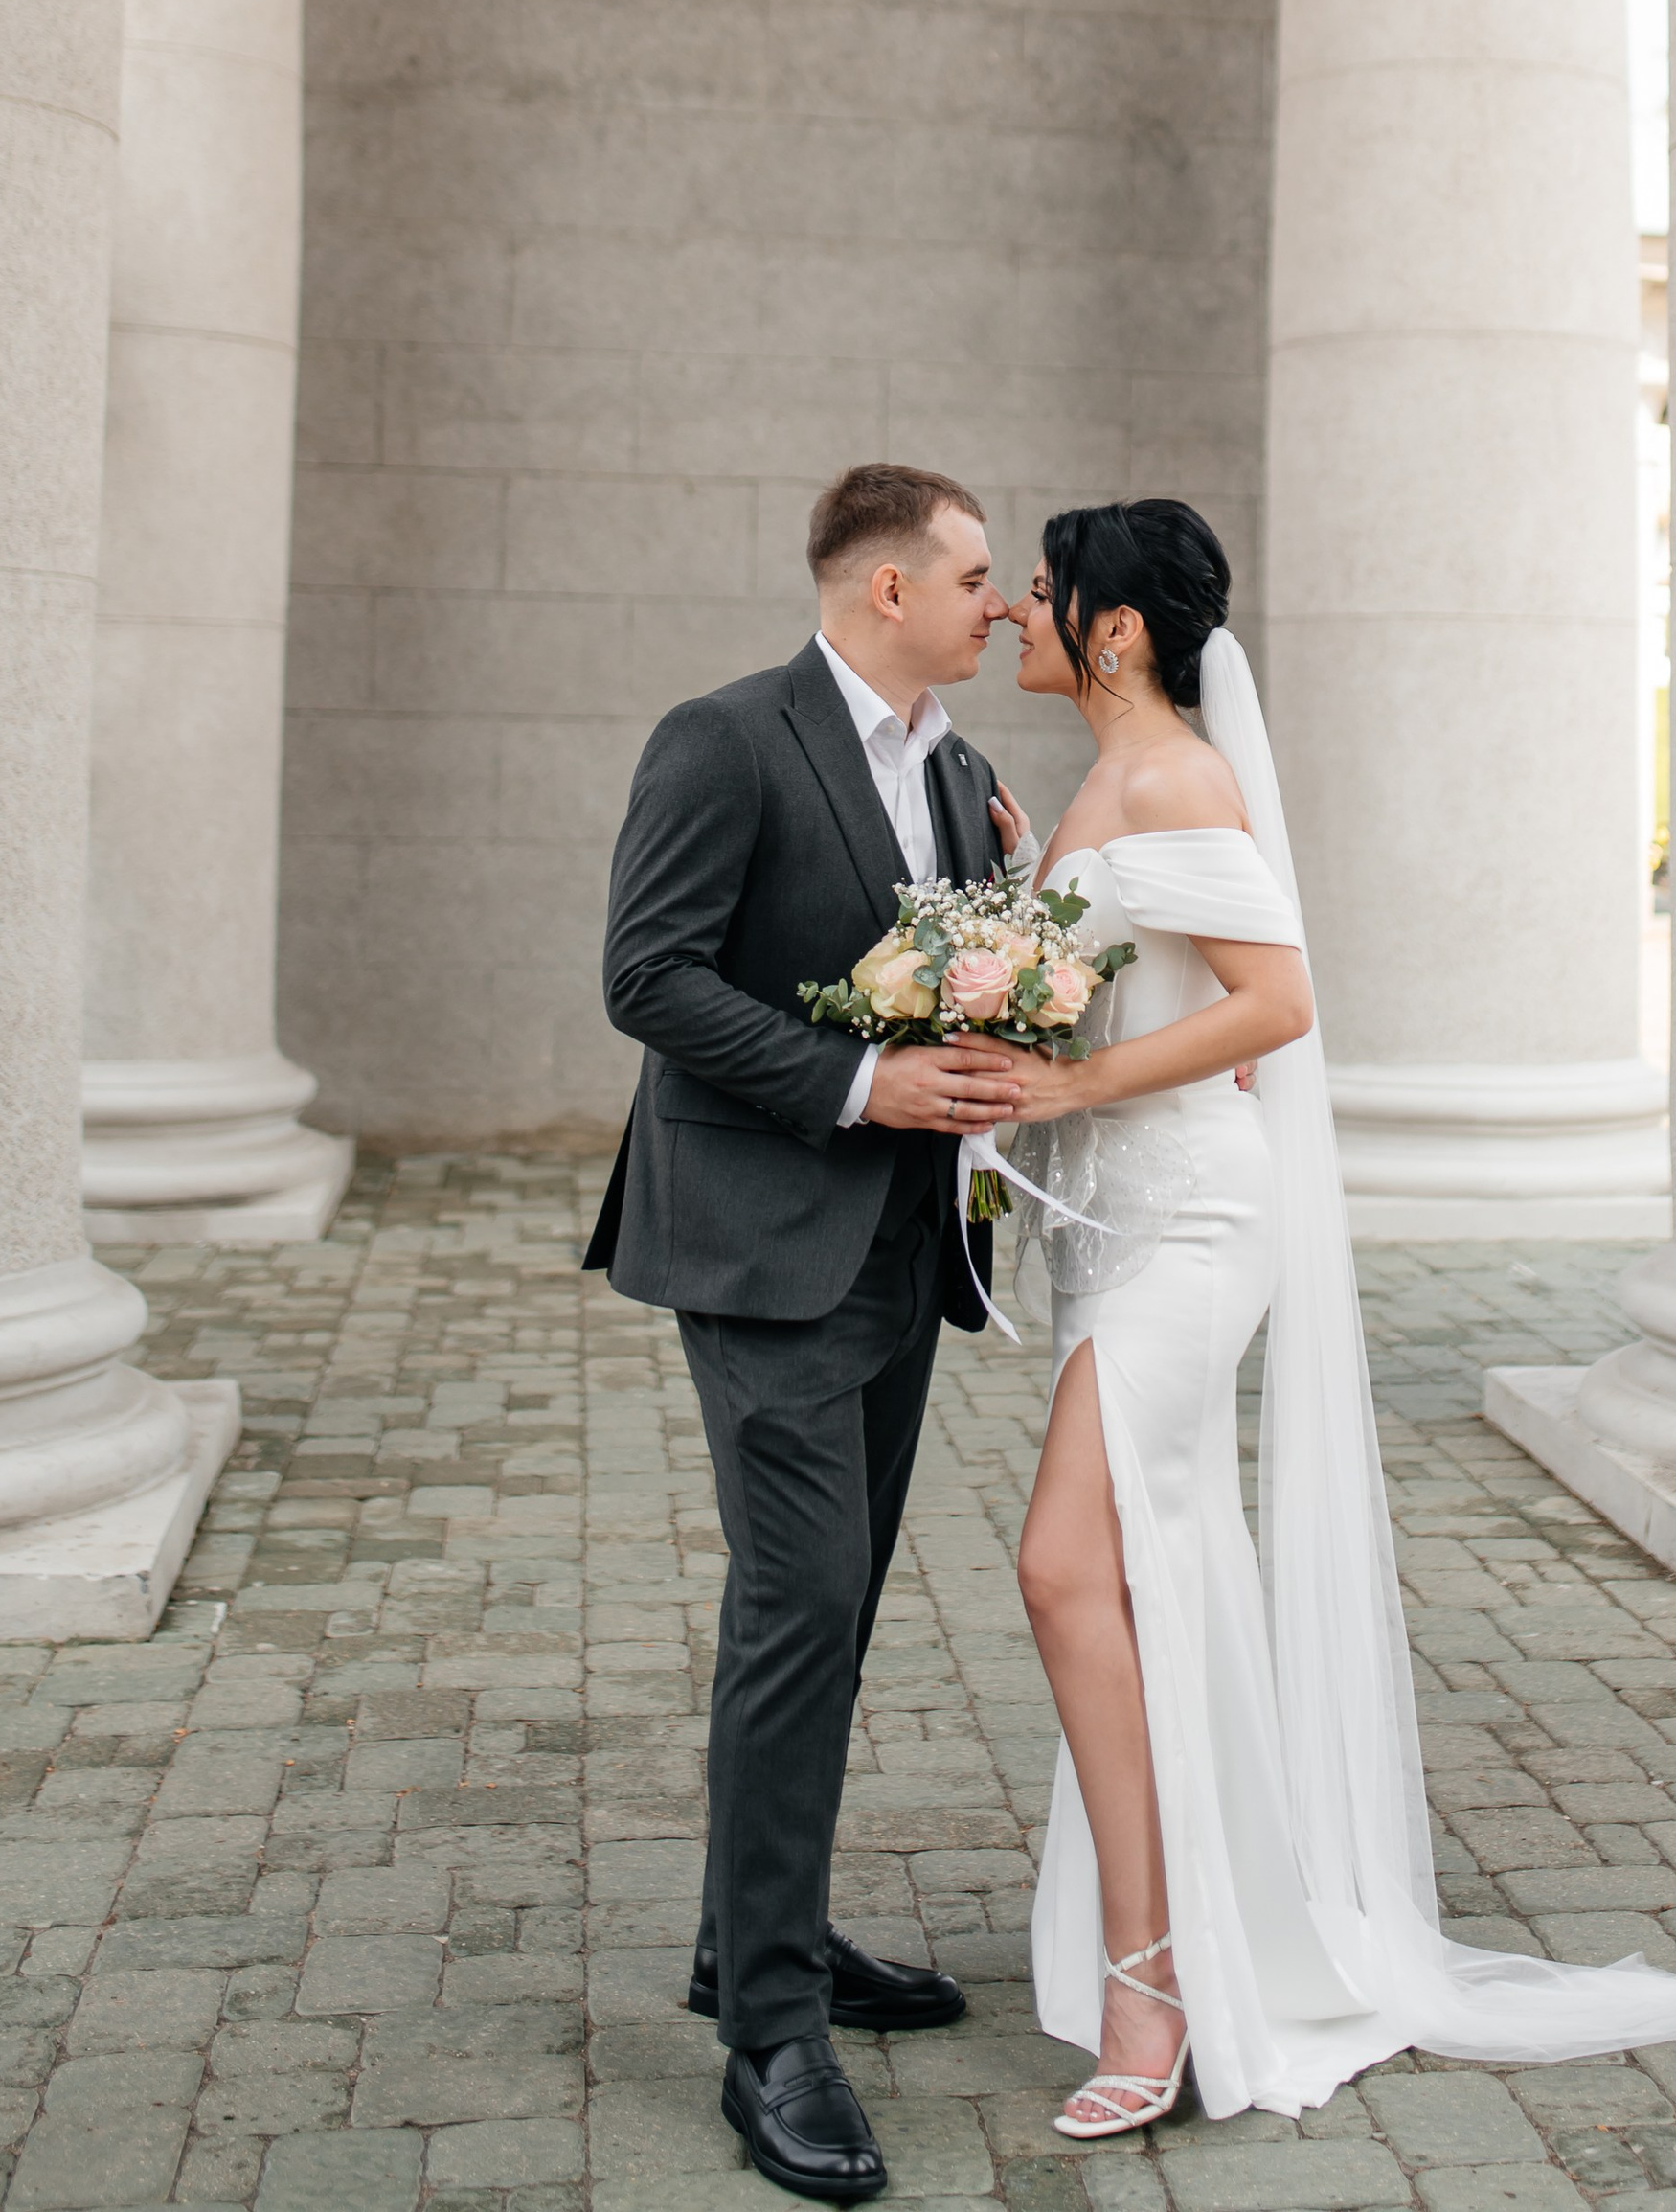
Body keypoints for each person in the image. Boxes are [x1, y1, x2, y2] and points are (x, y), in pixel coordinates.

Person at [966, 497, 1676, 2134]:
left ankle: (1159, 1984)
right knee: (1153, 1572)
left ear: (1118, 630)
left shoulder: (1178, 776)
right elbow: (1170, 978)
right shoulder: (1098, 780)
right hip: (1117, 1221)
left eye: (1045, 594)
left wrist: (1075, 1074)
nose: (1020, 615)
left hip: (1196, 1219)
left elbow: (1280, 1008)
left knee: (1066, 1564)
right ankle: (1196, 1932)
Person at [583, 462, 1031, 2208]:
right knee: (798, 1605)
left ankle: (747, 1936)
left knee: (831, 1608)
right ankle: (770, 2036)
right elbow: (649, 974)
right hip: (760, 1237)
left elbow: (968, 966)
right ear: (887, 591)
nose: (1004, 603)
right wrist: (862, 1081)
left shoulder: (971, 775)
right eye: (980, 576)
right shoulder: (725, 738)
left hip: (903, 1249)